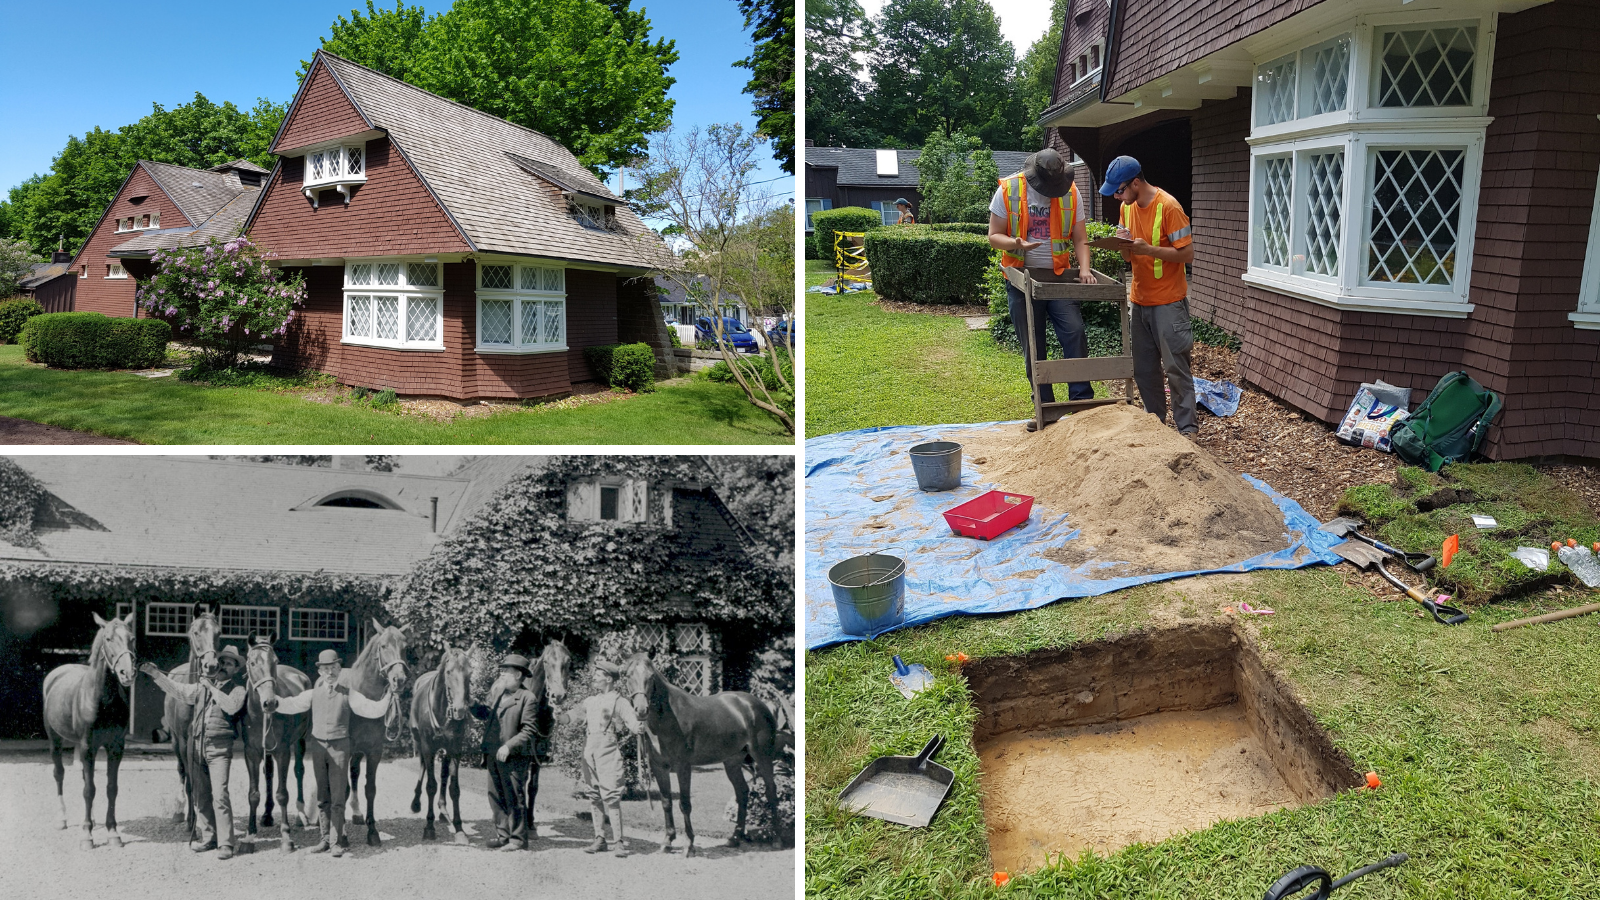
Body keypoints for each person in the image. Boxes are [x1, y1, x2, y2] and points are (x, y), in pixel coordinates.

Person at [988, 147, 1096, 430]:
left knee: (1075, 332)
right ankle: (1045, 409)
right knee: (1034, 346)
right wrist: (1016, 244)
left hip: (1058, 279)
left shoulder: (1072, 193)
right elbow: (994, 236)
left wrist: (1084, 269)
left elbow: (1080, 238)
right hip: (1021, 281)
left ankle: (1081, 403)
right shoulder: (1009, 190)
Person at [1101, 154, 1199, 436]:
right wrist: (1122, 244)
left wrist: (1149, 250)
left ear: (1135, 183)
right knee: (1144, 371)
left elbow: (1188, 253)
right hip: (1140, 301)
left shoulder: (1169, 207)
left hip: (1168, 302)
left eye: (1120, 191)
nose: (1117, 198)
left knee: (1176, 369)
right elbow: (1127, 254)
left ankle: (1187, 430)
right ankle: (1156, 425)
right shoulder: (1127, 209)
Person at [272, 648, 392, 857]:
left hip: (339, 748)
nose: (330, 672)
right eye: (326, 669)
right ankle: (324, 840)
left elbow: (372, 709)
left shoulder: (349, 693)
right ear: (320, 672)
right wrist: (271, 698)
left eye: (334, 668)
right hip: (318, 748)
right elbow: (290, 704)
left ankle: (336, 842)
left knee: (337, 797)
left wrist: (390, 696)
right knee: (322, 797)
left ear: (339, 669)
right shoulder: (312, 694)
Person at [140, 645, 249, 859]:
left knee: (220, 795)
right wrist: (155, 675)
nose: (223, 666)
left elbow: (230, 706)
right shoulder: (202, 688)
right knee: (200, 795)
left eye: (229, 664)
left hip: (219, 748)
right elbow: (178, 690)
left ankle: (226, 843)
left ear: (235, 669)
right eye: (222, 662)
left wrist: (210, 686)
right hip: (196, 745)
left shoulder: (238, 690)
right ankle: (209, 837)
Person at [558, 660, 643, 857]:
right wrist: (557, 714)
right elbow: (569, 718)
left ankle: (619, 841)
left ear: (608, 678)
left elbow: (632, 722)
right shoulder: (590, 701)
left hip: (608, 750)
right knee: (593, 795)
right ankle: (600, 838)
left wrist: (638, 726)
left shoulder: (620, 701)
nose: (594, 677)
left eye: (598, 674)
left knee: (611, 796)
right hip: (589, 751)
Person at [470, 654, 540, 851]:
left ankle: (518, 839)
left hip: (514, 756)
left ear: (518, 675)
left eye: (505, 672)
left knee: (514, 796)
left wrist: (509, 746)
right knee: (495, 795)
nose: (501, 675)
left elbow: (529, 730)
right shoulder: (499, 695)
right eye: (501, 671)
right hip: (493, 753)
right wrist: (472, 704)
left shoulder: (528, 698)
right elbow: (486, 714)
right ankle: (503, 836)